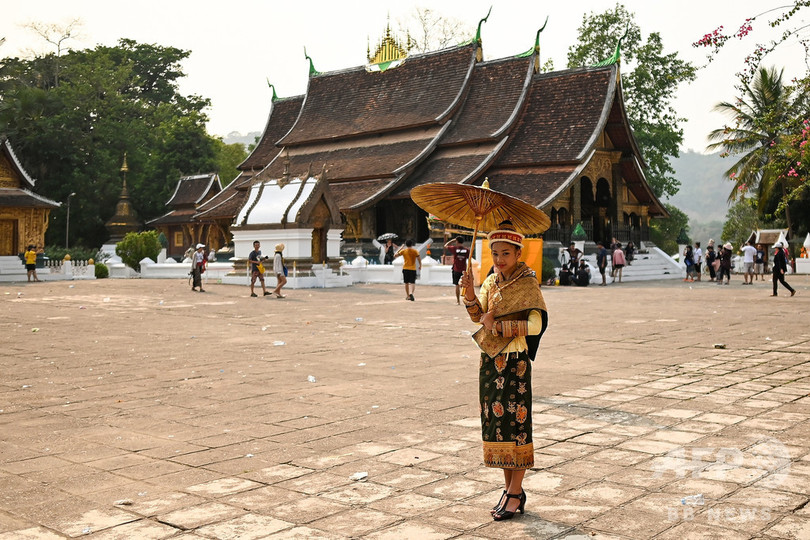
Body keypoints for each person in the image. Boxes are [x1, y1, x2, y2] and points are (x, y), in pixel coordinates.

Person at [459, 220, 548, 522]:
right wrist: (470, 294)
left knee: (516, 426)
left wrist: (497, 325)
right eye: (495, 253)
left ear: (518, 253)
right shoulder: (490, 281)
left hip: (515, 363)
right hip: (489, 361)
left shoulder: (527, 283)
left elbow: (536, 325)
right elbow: (476, 318)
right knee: (496, 426)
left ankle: (515, 491)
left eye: (506, 253)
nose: (499, 260)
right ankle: (510, 488)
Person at [445, 236, 470, 304]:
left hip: (456, 269)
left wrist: (452, 240)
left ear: (457, 241)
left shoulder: (455, 249)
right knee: (464, 285)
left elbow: (446, 246)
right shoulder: (467, 250)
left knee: (457, 285)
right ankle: (467, 300)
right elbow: (468, 257)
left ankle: (458, 301)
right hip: (464, 270)